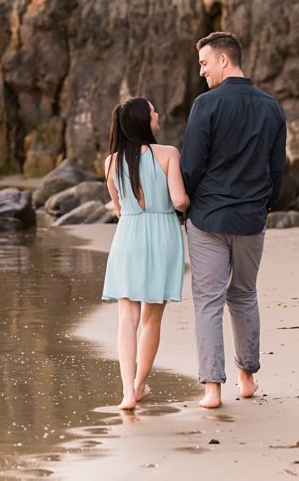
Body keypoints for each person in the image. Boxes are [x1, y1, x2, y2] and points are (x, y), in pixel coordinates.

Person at [180, 31, 286, 409]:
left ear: (225, 60)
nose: (202, 72)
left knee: (208, 301)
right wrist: (264, 206)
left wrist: (186, 206)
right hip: (251, 218)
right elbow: (277, 169)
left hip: (208, 217)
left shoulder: (205, 106)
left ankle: (212, 388)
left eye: (205, 63)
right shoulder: (271, 107)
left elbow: (191, 164)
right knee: (243, 295)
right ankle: (247, 377)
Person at [102, 97, 189, 410]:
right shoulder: (168, 153)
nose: (157, 114)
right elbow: (179, 200)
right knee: (151, 321)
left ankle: (127, 392)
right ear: (143, 121)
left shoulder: (111, 162)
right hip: (163, 234)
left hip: (128, 236)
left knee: (127, 319)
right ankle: (139, 385)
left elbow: (118, 207)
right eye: (154, 111)